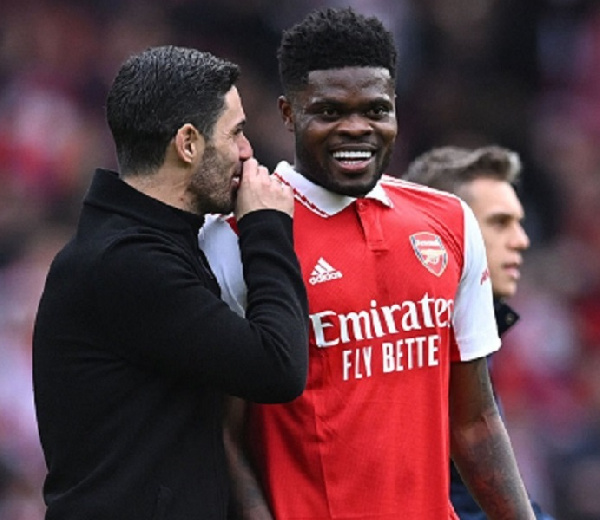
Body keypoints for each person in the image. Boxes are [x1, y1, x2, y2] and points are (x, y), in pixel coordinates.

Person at [199, 7, 536, 520]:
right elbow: (222, 436)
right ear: (289, 113)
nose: (356, 129)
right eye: (330, 112)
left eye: (376, 110)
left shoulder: (449, 221)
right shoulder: (238, 237)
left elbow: (476, 422)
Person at [32, 45, 309, 519]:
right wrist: (267, 228)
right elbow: (277, 367)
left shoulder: (145, 245)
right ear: (187, 144)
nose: (247, 150)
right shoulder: (126, 263)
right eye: (236, 132)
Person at [404, 145, 554, 520]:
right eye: (500, 222)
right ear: (448, 233)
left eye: (519, 222)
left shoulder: (471, 336)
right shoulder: (415, 348)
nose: (521, 240)